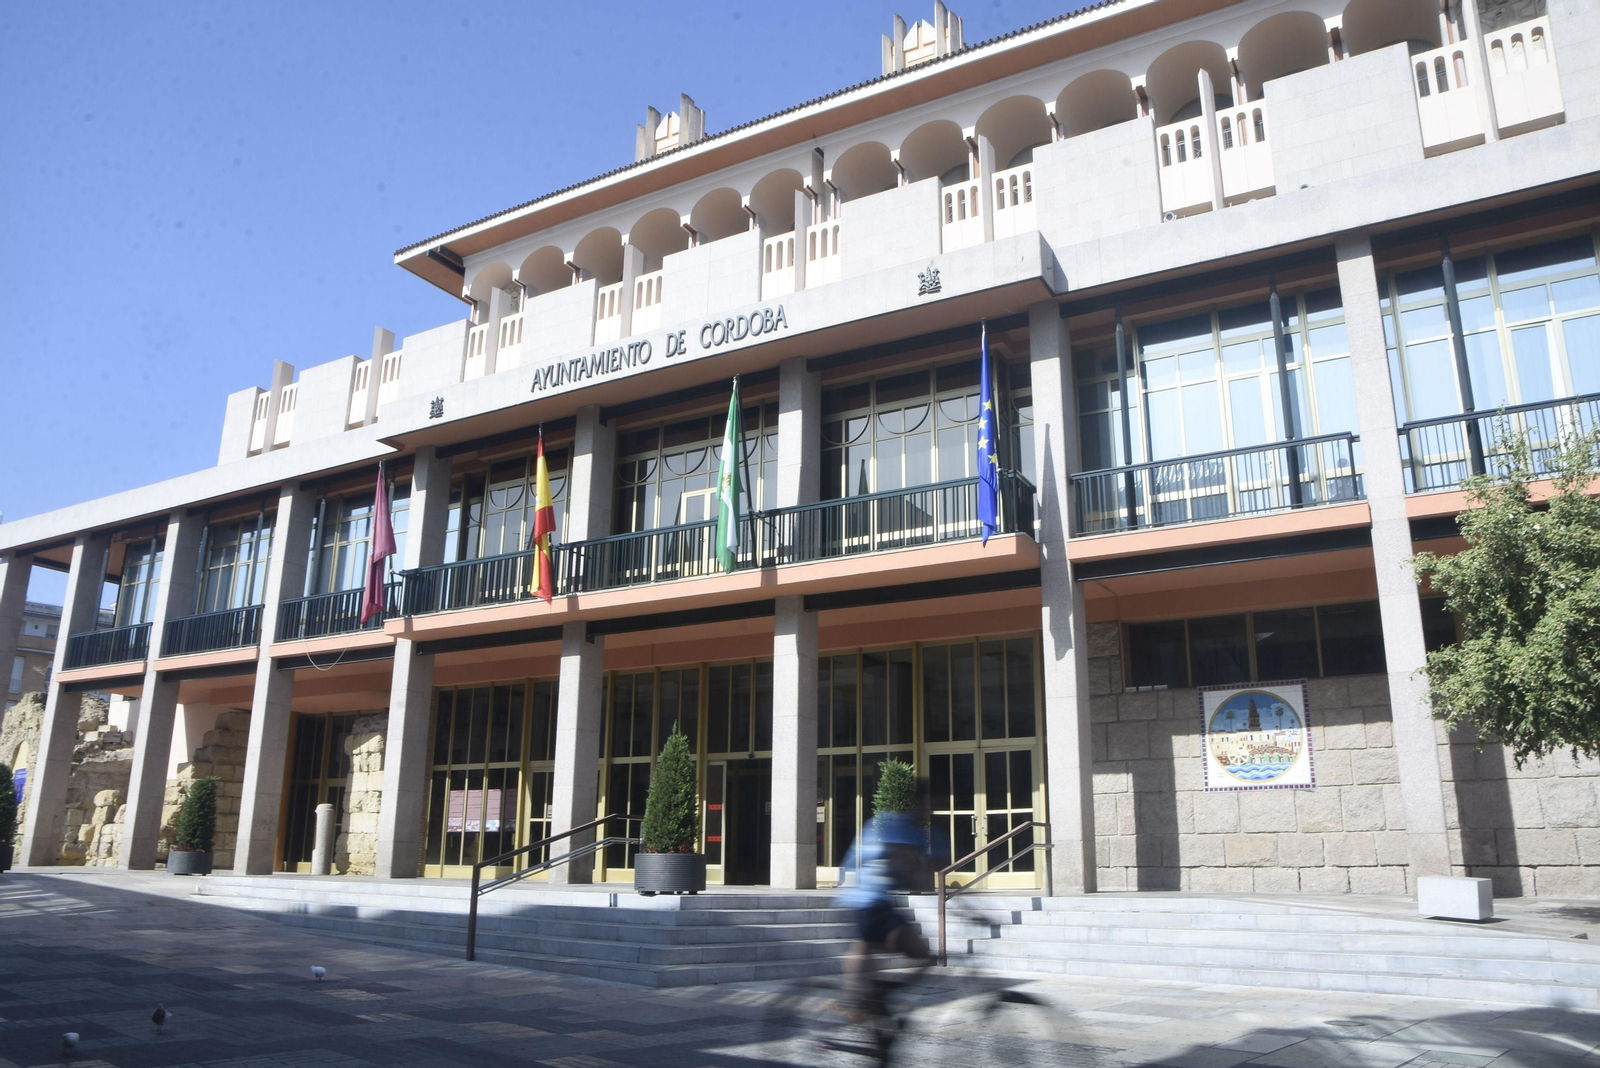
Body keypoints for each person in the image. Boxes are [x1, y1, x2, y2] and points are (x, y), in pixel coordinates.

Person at [835, 779, 938, 1033]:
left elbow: (854, 861)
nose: (932, 809)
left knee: (864, 950)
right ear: (920, 802)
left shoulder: (881, 822)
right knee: (921, 953)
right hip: (872, 902)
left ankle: (863, 1000)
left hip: (862, 898)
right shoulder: (901, 827)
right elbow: (902, 866)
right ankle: (866, 998)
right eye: (931, 803)